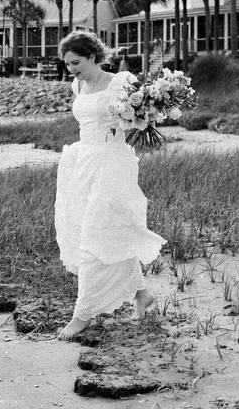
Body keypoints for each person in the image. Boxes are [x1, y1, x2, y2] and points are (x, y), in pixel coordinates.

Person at [54, 31, 165, 339]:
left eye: (76, 62)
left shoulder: (120, 82)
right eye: (67, 64)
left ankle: (83, 314)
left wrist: (136, 118)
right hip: (83, 162)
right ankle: (142, 294)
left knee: (94, 233)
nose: (72, 69)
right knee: (108, 230)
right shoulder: (77, 85)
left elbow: (142, 119)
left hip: (112, 162)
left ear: (92, 56)